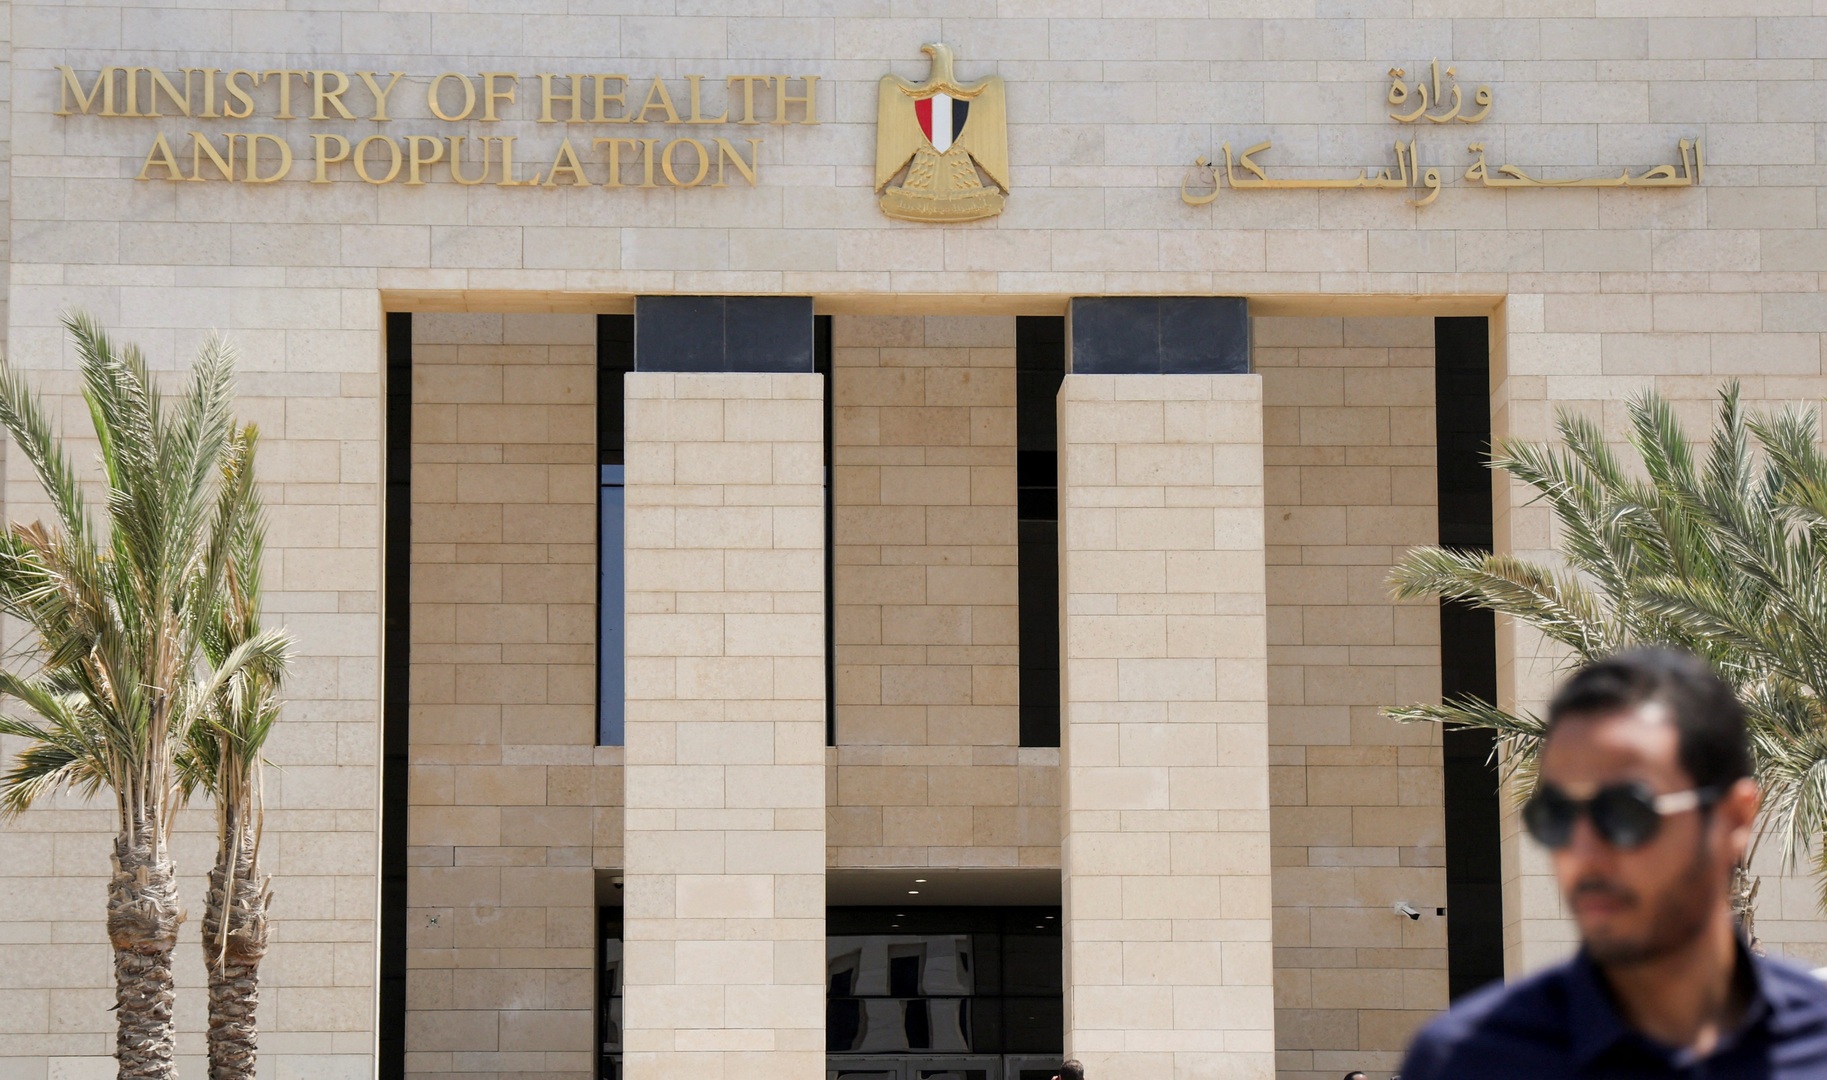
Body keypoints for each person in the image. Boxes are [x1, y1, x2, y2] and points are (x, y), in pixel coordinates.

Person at [1400, 648, 1827, 1078]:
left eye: (1624, 812)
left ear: (1733, 819)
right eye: (1557, 815)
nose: (1583, 855)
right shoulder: (1468, 1061)